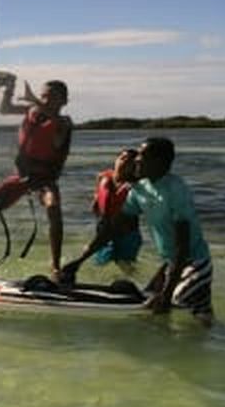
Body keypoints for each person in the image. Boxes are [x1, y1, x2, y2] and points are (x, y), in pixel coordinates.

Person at [0, 78, 72, 279]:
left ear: (64, 101)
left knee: (53, 208)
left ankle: (55, 267)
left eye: (52, 97)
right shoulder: (32, 110)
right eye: (43, 95)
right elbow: (5, 108)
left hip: (44, 180)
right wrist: (8, 88)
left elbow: (55, 128)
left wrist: (34, 100)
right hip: (21, 177)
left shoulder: (64, 123)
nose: (45, 100)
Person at [120, 137, 215, 326]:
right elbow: (115, 227)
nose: (137, 159)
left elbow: (183, 247)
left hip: (195, 263)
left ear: (160, 162)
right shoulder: (139, 189)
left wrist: (167, 292)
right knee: (149, 300)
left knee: (172, 301)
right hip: (171, 264)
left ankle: (215, 342)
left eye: (143, 156)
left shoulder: (176, 190)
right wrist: (79, 260)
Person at [59, 148, 142, 284]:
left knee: (125, 267)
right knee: (99, 266)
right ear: (116, 160)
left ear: (134, 168)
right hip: (105, 228)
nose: (124, 162)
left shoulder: (132, 189)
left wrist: (79, 261)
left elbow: (113, 227)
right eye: (122, 158)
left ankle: (136, 287)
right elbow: (98, 202)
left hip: (127, 235)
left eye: (130, 162)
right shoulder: (104, 177)